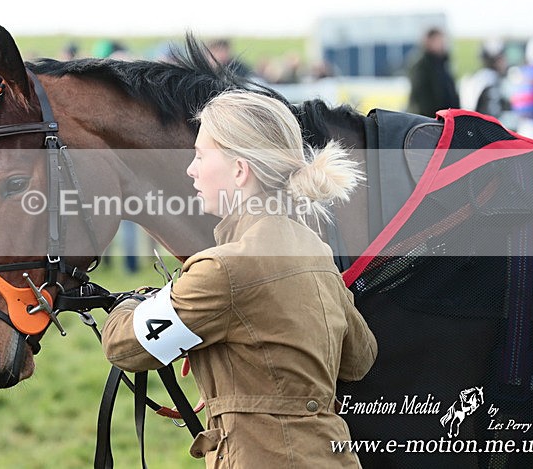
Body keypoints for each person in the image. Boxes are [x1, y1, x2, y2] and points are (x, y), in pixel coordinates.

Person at [102, 90, 377, 467]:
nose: (191, 169)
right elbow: (359, 358)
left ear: (239, 170)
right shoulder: (316, 250)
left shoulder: (224, 269)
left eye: (200, 155)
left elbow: (124, 347)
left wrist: (132, 303)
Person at [407, 27, 460, 117]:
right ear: (429, 42)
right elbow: (421, 98)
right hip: (430, 120)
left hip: (447, 118)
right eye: (438, 40)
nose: (443, 44)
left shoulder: (443, 63)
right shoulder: (421, 65)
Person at [459, 38, 509, 120]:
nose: (504, 62)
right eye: (501, 58)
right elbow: (493, 114)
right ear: (494, 61)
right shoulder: (490, 79)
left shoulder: (477, 77)